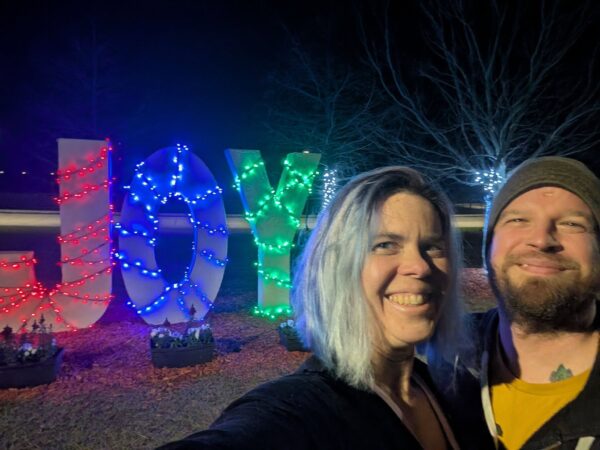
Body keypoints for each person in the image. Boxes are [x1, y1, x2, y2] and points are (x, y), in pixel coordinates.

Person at [159, 166, 491, 449]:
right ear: (336, 267)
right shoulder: (301, 409)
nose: (419, 267)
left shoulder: (448, 388)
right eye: (386, 245)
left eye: (432, 246)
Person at [439, 156, 600, 450]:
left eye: (572, 223)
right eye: (518, 219)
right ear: (490, 246)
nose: (541, 239)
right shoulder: (439, 358)